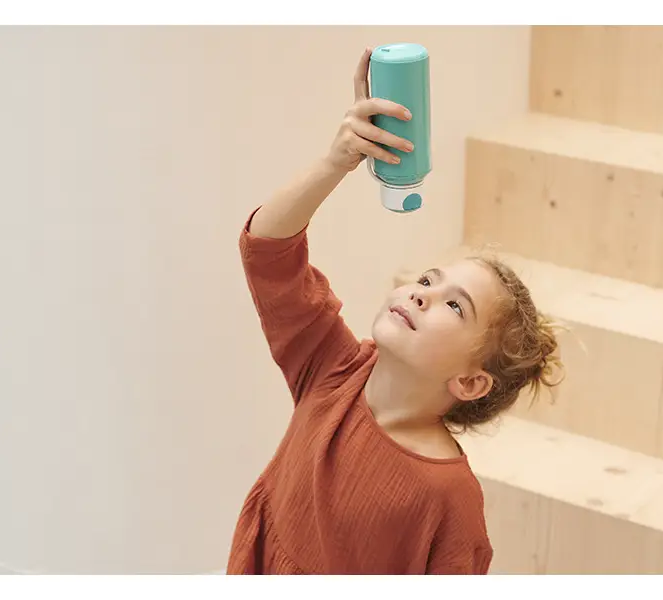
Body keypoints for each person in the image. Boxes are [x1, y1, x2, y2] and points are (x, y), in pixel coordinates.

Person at [226, 47, 563, 575]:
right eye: (428, 280)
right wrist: (336, 162)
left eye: (455, 305)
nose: (422, 293)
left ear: (470, 381)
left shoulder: (449, 500)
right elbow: (267, 250)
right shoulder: (333, 368)